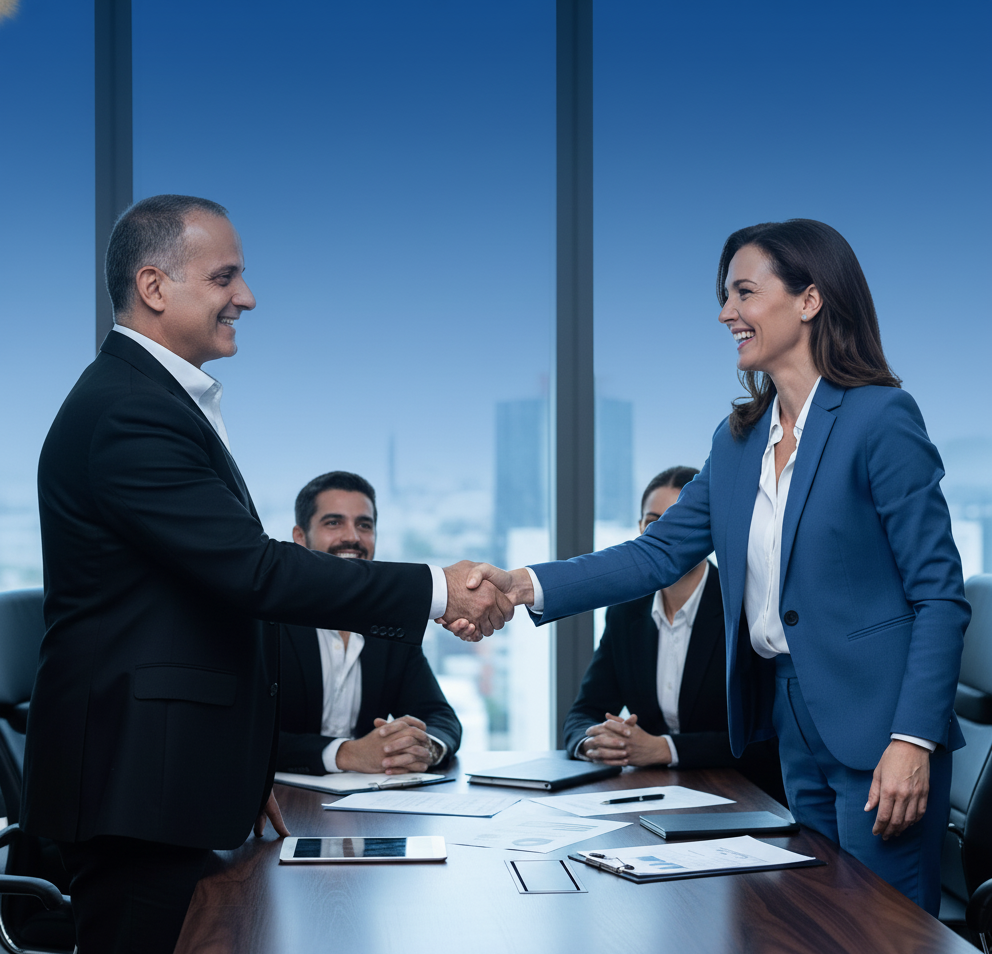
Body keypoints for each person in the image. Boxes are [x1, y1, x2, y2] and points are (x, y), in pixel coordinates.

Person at [22, 194, 509, 953]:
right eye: (225, 278)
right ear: (155, 288)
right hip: (136, 794)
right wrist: (439, 589)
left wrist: (239, 780)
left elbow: (200, 606)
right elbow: (253, 574)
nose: (245, 297)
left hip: (167, 787)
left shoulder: (149, 401)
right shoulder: (128, 411)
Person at [455, 219, 968, 915]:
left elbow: (938, 596)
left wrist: (914, 740)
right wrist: (523, 586)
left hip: (879, 728)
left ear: (810, 299)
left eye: (744, 293)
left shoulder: (880, 420)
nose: (727, 313)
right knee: (817, 922)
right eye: (726, 296)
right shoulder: (738, 444)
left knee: (884, 927)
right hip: (790, 715)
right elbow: (658, 553)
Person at [563, 466, 784, 803]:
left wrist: (662, 748)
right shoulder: (626, 612)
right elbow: (583, 713)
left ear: (705, 530)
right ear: (639, 529)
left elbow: (769, 736)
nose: (662, 536)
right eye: (652, 523)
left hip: (741, 798)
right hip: (652, 796)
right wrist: (594, 741)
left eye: (677, 523)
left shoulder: (744, 608)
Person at [279, 470, 461, 775]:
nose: (352, 536)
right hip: (280, 806)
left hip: (367, 807)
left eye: (364, 525)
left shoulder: (391, 624)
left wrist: (422, 747)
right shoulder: (267, 620)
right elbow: (242, 732)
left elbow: (439, 715)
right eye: (334, 522)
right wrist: (345, 754)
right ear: (300, 537)